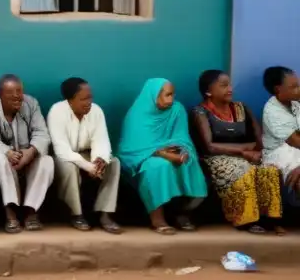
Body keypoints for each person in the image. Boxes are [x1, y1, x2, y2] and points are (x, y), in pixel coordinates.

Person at [190, 69, 283, 233]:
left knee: (269, 169)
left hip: (248, 154)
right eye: (223, 85)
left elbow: (259, 139)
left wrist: (258, 151)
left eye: (230, 85)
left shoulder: (241, 108)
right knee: (243, 170)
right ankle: (246, 219)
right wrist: (244, 150)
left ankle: (270, 219)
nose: (230, 89)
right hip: (215, 158)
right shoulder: (200, 112)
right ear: (208, 92)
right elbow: (210, 146)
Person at [117, 78, 207, 234]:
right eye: (167, 95)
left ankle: (182, 214)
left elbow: (181, 136)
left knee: (188, 161)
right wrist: (160, 152)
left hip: (171, 151)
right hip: (142, 157)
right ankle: (157, 219)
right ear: (154, 95)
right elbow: (130, 147)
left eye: (173, 95)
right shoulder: (137, 113)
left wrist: (181, 150)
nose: (171, 100)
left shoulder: (177, 109)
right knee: (157, 166)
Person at [46, 78, 121, 234]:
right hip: (65, 156)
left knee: (113, 163)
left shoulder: (96, 111)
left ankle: (105, 214)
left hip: (89, 155)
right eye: (83, 99)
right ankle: (76, 214)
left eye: (90, 97)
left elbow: (101, 140)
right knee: (68, 167)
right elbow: (61, 149)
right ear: (70, 100)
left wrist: (99, 160)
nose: (89, 102)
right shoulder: (57, 111)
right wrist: (88, 166)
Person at [0, 75, 54, 233]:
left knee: (47, 161)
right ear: (0, 94)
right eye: (10, 92)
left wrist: (31, 152)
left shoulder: (31, 103)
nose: (16, 95)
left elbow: (42, 134)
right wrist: (8, 153)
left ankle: (31, 212)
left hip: (28, 157)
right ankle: (11, 213)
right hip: (7, 160)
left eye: (19, 91)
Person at [261, 66, 300, 207]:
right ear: (278, 89)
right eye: (294, 87)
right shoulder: (272, 111)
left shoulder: (296, 103)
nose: (299, 90)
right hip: (280, 152)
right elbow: (296, 141)